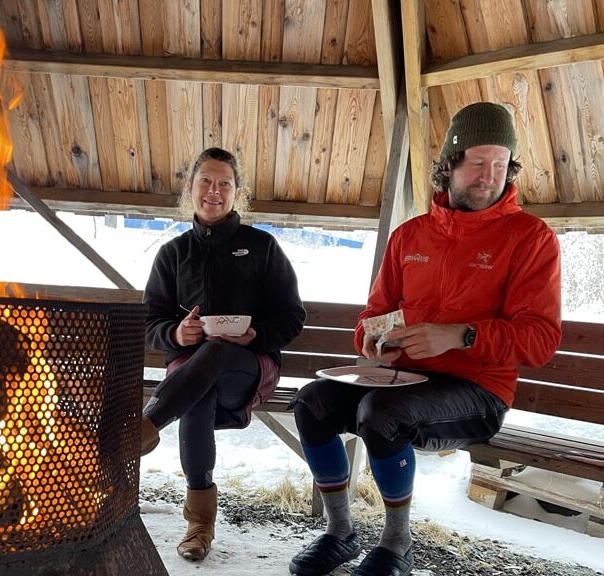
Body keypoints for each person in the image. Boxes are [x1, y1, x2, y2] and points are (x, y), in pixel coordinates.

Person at [287, 102, 562, 576]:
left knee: (380, 414)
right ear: (450, 164)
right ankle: (340, 532)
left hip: (478, 392)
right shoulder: (409, 237)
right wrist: (373, 342)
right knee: (310, 402)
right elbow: (373, 315)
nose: (488, 176)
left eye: (500, 164)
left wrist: (460, 335)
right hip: (401, 379)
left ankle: (397, 545)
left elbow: (538, 339)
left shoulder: (530, 238)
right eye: (477, 162)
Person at [141, 147, 306, 562]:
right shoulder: (173, 254)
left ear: (237, 194)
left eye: (224, 184)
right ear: (190, 188)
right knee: (198, 394)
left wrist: (256, 334)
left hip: (250, 369)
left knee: (213, 356)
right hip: (191, 374)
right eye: (206, 181)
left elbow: (292, 317)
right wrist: (177, 332)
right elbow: (151, 324)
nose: (214, 191)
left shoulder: (262, 247)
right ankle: (200, 525)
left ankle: (146, 425)